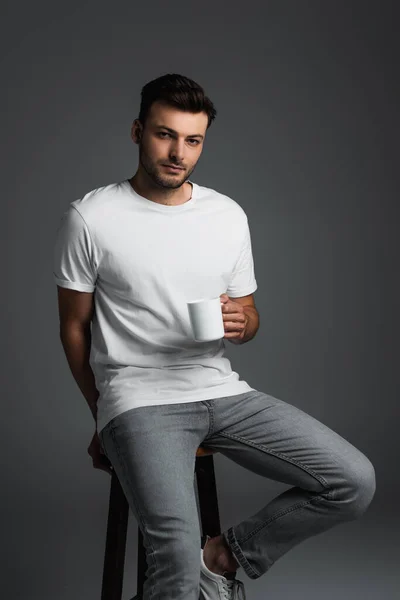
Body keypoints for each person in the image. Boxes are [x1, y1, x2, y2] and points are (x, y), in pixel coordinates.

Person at [53, 73, 376, 600]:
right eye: (165, 135)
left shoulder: (227, 215)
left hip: (222, 390)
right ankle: (190, 572)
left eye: (193, 140)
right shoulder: (91, 217)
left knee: (354, 482)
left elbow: (247, 314)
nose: (178, 152)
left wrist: (244, 323)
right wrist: (101, 413)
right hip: (139, 399)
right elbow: (74, 326)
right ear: (137, 132)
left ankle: (223, 558)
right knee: (173, 567)